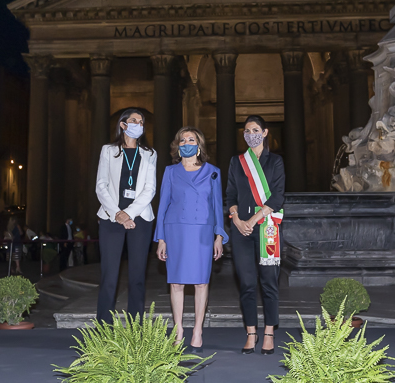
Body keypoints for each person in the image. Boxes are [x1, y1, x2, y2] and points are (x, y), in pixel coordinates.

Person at [155, 127, 227, 352]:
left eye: (191, 139)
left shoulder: (213, 171)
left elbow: (217, 206)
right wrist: (161, 238)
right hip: (175, 230)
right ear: (177, 146)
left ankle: (197, 331)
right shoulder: (170, 171)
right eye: (182, 139)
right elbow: (163, 205)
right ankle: (178, 331)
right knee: (176, 282)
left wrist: (219, 236)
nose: (186, 142)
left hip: (202, 233)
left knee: (201, 282)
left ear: (199, 145)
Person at [227, 115, 286, 355]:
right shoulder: (237, 162)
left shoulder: (276, 162)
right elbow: (230, 195)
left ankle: (269, 332)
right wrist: (236, 218)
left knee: (268, 281)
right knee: (247, 283)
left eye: (254, 129)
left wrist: (252, 220)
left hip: (267, 227)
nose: (250, 133)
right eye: (246, 130)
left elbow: (278, 196)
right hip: (241, 228)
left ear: (264, 132)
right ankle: (251, 332)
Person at [95, 108, 157, 324]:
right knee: (109, 276)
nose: (138, 124)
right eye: (134, 120)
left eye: (141, 121)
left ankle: (135, 327)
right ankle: (103, 327)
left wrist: (128, 214)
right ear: (123, 124)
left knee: (137, 277)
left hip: (140, 219)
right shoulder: (108, 151)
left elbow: (150, 189)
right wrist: (117, 214)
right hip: (111, 218)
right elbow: (101, 186)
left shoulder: (150, 154)